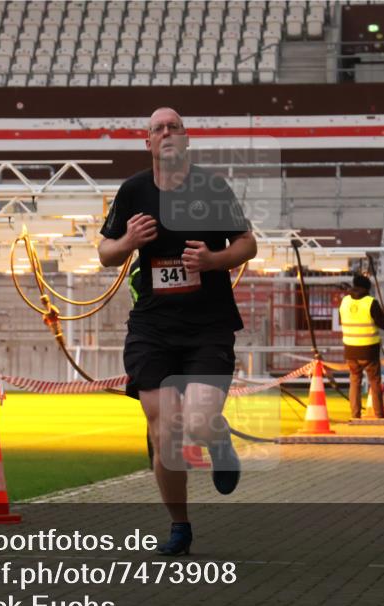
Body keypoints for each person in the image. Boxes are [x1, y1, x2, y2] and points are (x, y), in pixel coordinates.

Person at [98, 107, 257, 556]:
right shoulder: (133, 191)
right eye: (158, 129)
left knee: (199, 418)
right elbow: (105, 252)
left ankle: (218, 438)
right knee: (164, 427)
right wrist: (126, 243)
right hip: (153, 326)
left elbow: (248, 243)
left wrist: (212, 261)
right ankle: (180, 526)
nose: (166, 134)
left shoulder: (213, 188)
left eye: (174, 128)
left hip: (208, 324)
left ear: (186, 140)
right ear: (147, 142)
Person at [338, 273, 384, 419]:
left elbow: (341, 320)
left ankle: (355, 415)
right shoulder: (371, 302)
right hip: (369, 350)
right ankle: (379, 414)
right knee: (374, 382)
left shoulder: (344, 301)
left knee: (354, 381)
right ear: (368, 287)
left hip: (350, 349)